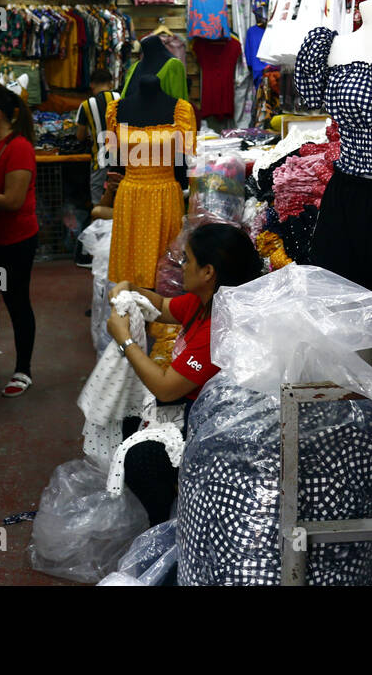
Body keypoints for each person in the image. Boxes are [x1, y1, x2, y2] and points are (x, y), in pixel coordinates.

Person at [105, 223, 262, 525]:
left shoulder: (218, 328)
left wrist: (125, 340)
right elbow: (162, 306)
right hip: (188, 405)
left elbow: (166, 389)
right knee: (126, 420)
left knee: (142, 458)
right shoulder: (203, 301)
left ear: (208, 272)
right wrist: (129, 289)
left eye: (188, 259)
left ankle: (166, 527)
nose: (181, 266)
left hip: (211, 424)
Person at [0, 82, 40, 398]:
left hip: (16, 239)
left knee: (15, 301)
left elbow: (14, 199)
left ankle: (23, 369)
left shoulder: (20, 148)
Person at [74, 68, 121, 205]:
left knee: (98, 205)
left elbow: (80, 136)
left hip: (100, 161)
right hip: (125, 160)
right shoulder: (122, 98)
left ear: (92, 85)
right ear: (111, 84)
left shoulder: (86, 105)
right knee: (121, 204)